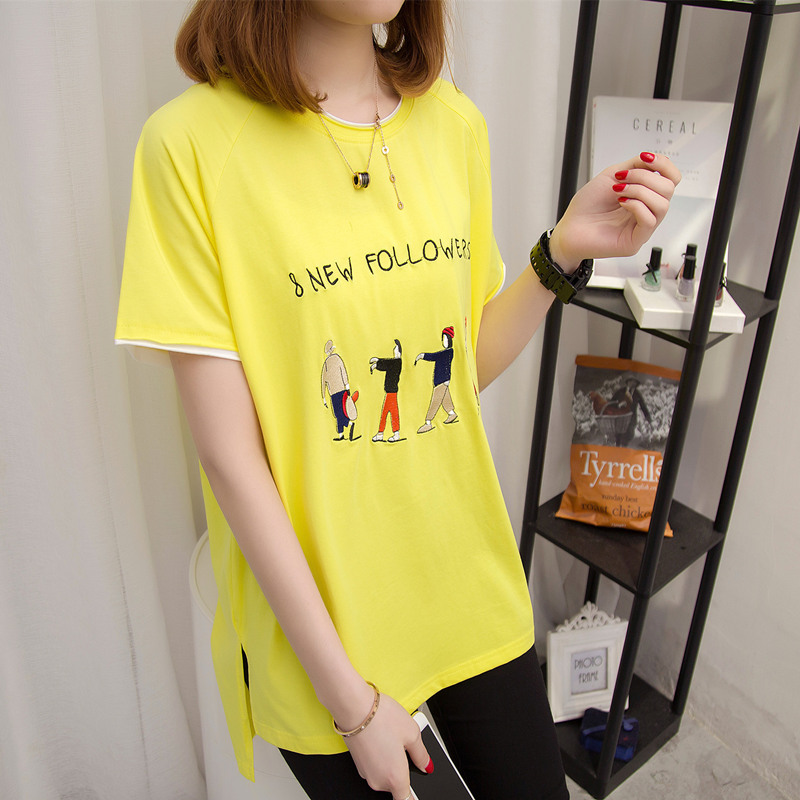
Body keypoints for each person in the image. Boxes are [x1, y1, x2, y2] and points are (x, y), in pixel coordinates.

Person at [115, 2, 680, 798]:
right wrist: (353, 707)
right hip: (329, 635)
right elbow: (232, 460)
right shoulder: (190, 148)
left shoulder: (452, 123)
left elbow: (454, 376)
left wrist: (562, 253)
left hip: (465, 583)